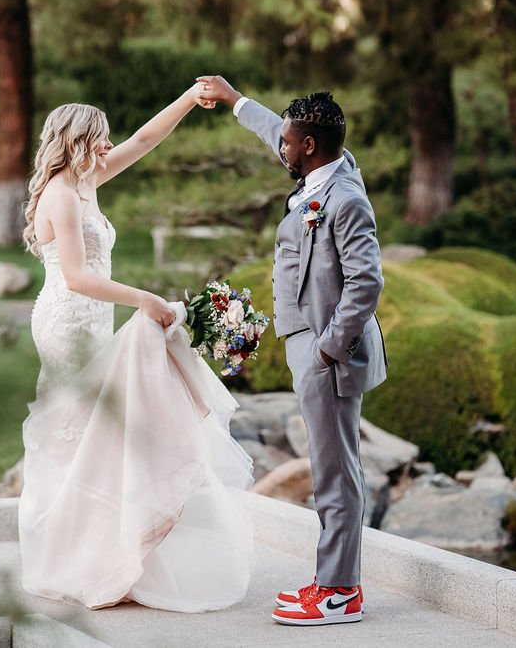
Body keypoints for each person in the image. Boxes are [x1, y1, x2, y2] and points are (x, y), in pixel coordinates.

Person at [17, 87, 254, 612]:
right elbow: (77, 277)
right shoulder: (60, 193)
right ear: (76, 143)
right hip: (68, 325)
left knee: (100, 436)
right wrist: (144, 299)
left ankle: (106, 547)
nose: (107, 149)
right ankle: (76, 556)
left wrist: (192, 99)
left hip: (93, 321)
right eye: (99, 141)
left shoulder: (88, 180)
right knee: (80, 436)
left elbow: (146, 138)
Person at [197, 75, 388, 626]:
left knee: (333, 473)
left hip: (329, 357)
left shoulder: (344, 198)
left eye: (287, 140)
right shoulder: (324, 167)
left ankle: (338, 595)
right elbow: (274, 133)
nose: (279, 145)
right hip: (309, 347)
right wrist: (236, 102)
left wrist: (327, 350)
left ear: (307, 145)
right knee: (333, 467)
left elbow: (366, 283)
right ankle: (335, 582)